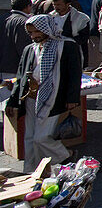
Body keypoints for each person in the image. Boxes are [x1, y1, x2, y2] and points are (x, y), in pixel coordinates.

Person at [5, 14, 81, 171]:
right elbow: (21, 77)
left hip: (53, 98)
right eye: (31, 33)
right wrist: (13, 100)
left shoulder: (66, 46)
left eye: (36, 32)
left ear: (46, 29)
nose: (33, 36)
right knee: (30, 137)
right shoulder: (30, 49)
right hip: (31, 97)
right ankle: (32, 170)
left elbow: (74, 74)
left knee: (41, 138)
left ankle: (65, 155)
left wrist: (72, 97)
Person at [49, 0, 91, 66]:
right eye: (54, 5)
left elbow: (83, 38)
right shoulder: (50, 17)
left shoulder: (81, 18)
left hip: (73, 52)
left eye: (59, 5)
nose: (56, 7)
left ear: (68, 4)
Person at [1, 0, 34, 82]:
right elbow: (23, 47)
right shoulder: (24, 22)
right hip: (14, 67)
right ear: (28, 6)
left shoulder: (3, 18)